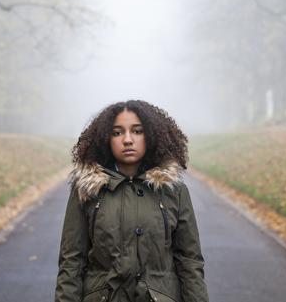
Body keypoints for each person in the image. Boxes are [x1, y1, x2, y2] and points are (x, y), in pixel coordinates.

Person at [55, 100, 209, 302]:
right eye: (117, 133)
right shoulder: (87, 190)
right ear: (105, 139)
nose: (127, 139)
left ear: (152, 136)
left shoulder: (174, 191)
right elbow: (71, 262)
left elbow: (189, 262)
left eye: (137, 131)